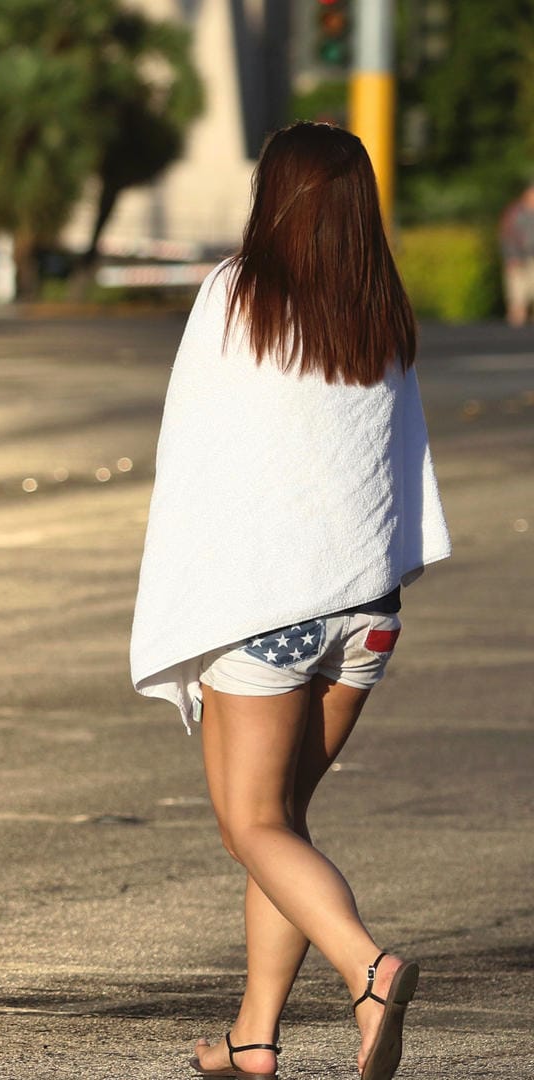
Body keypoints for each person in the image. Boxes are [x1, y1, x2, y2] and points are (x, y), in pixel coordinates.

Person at [131, 122, 451, 1080]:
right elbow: (383, 473)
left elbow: (194, 453)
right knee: (283, 826)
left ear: (276, 197)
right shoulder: (379, 311)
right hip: (368, 609)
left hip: (272, 610)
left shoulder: (237, 294)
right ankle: (253, 1041)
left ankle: (370, 967)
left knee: (252, 826)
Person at [500, 183, 534, 327]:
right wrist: (511, 256)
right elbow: (507, 237)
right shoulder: (515, 214)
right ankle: (516, 325)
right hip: (519, 259)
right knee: (517, 295)